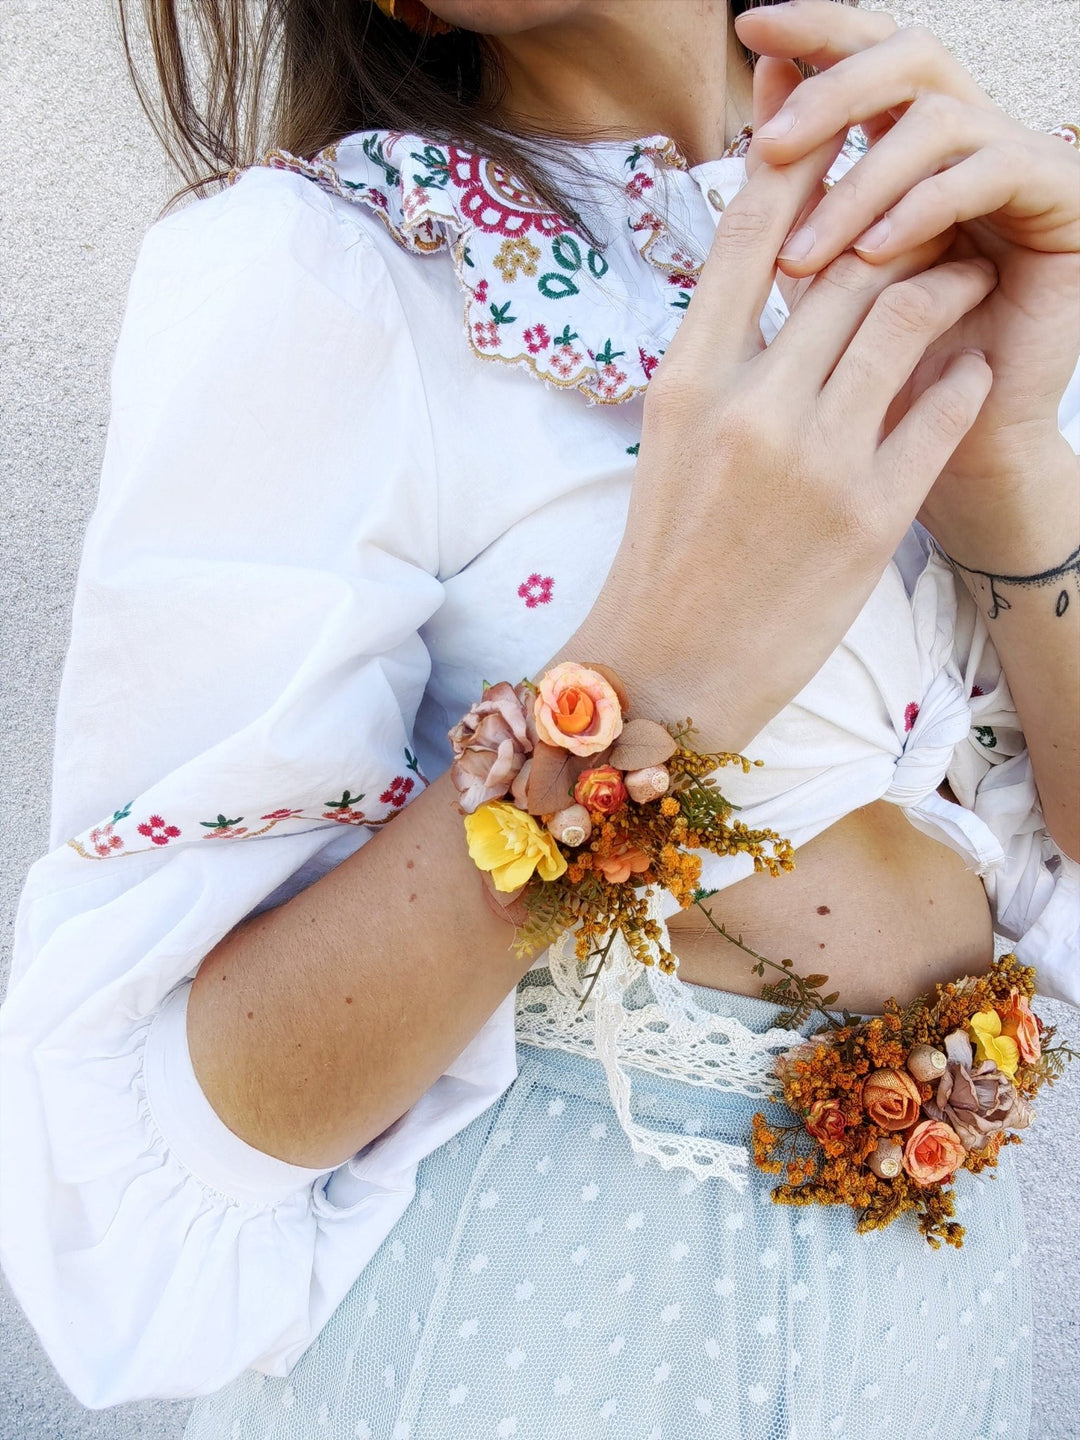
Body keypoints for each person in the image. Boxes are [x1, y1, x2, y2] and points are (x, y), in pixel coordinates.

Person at [1, 0, 1077, 1435]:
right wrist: (655, 682)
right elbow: (167, 1145)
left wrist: (1008, 454)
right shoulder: (320, 272)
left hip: (938, 1346)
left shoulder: (953, 220)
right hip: (539, 1335)